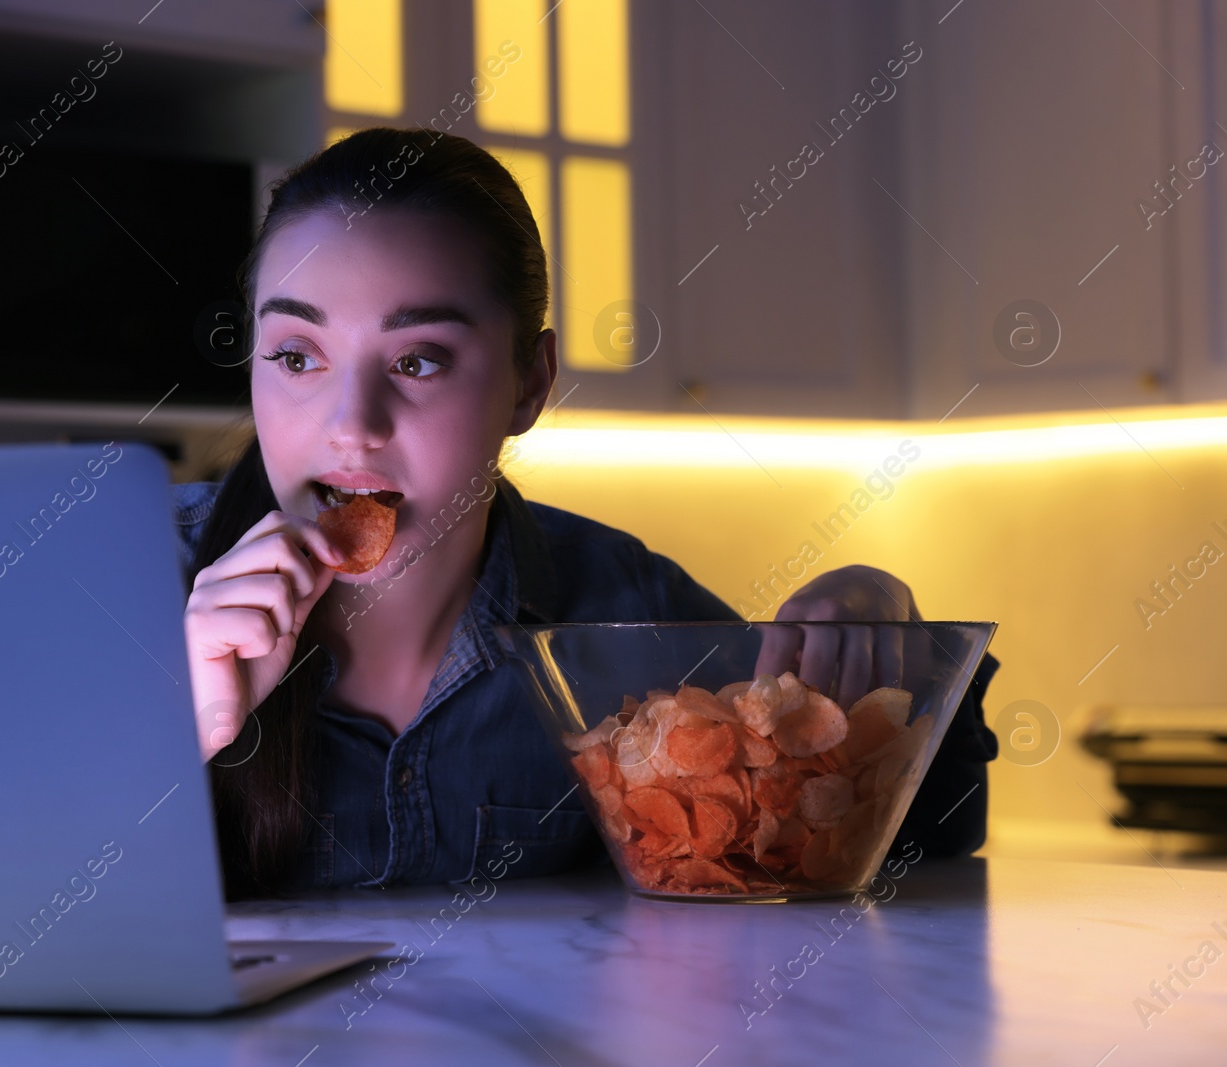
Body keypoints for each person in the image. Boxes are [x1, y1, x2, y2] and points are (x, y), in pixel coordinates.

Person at [175, 127, 1000, 899]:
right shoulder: (123, 574)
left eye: (418, 360)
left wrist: (888, 626)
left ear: (529, 384)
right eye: (294, 356)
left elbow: (930, 832)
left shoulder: (622, 612)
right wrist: (180, 727)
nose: (352, 423)